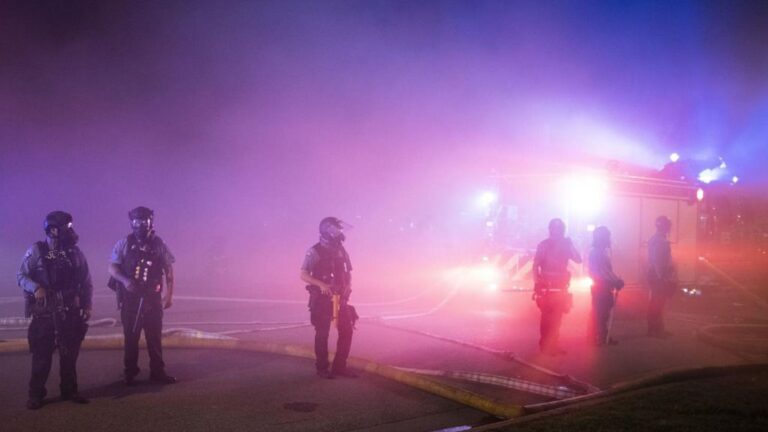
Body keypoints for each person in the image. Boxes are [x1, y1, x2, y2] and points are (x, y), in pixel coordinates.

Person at [17, 211, 92, 409]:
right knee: (41, 357)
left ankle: (69, 390)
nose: (70, 231)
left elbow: (86, 282)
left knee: (69, 355)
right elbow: (21, 276)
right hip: (45, 314)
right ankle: (36, 395)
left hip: (69, 312)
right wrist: (36, 287)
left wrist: (87, 305)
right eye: (65, 228)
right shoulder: (37, 251)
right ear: (52, 230)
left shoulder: (74, 253)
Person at [108, 206, 177, 385]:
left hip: (152, 299)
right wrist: (125, 281)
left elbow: (168, 269)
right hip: (130, 299)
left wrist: (169, 295)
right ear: (131, 222)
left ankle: (158, 371)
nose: (140, 224)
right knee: (131, 337)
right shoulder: (124, 243)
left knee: (154, 337)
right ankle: (129, 372)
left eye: (144, 220)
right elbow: (113, 267)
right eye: (136, 221)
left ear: (150, 221)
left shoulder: (159, 244)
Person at [300, 217, 358, 379]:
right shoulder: (314, 251)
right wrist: (321, 285)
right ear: (328, 231)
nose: (340, 233)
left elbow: (348, 272)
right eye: (337, 230)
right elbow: (303, 274)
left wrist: (348, 286)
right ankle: (322, 368)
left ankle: (340, 367)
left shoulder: (341, 250)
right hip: (323, 300)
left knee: (347, 331)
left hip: (341, 299)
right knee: (322, 333)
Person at [532, 218, 582, 355]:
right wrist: (537, 283)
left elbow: (578, 259)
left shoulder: (566, 245)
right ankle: (545, 346)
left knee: (557, 319)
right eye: (555, 229)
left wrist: (570, 244)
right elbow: (536, 266)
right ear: (550, 230)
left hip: (561, 288)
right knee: (547, 318)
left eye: (560, 230)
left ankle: (553, 345)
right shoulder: (543, 245)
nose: (557, 232)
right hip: (547, 288)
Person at [588, 226, 624, 346]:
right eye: (607, 236)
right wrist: (615, 281)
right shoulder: (597, 253)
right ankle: (599, 337)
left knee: (602, 313)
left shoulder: (599, 252)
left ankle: (600, 336)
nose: (609, 239)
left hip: (603, 286)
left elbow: (606, 271)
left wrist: (615, 280)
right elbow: (602, 272)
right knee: (601, 314)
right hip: (601, 287)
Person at [646, 215, 677, 338]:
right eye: (668, 226)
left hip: (654, 274)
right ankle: (656, 330)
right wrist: (662, 277)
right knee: (658, 302)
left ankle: (655, 329)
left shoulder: (654, 239)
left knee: (655, 301)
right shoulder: (661, 241)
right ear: (666, 227)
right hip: (658, 275)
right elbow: (658, 261)